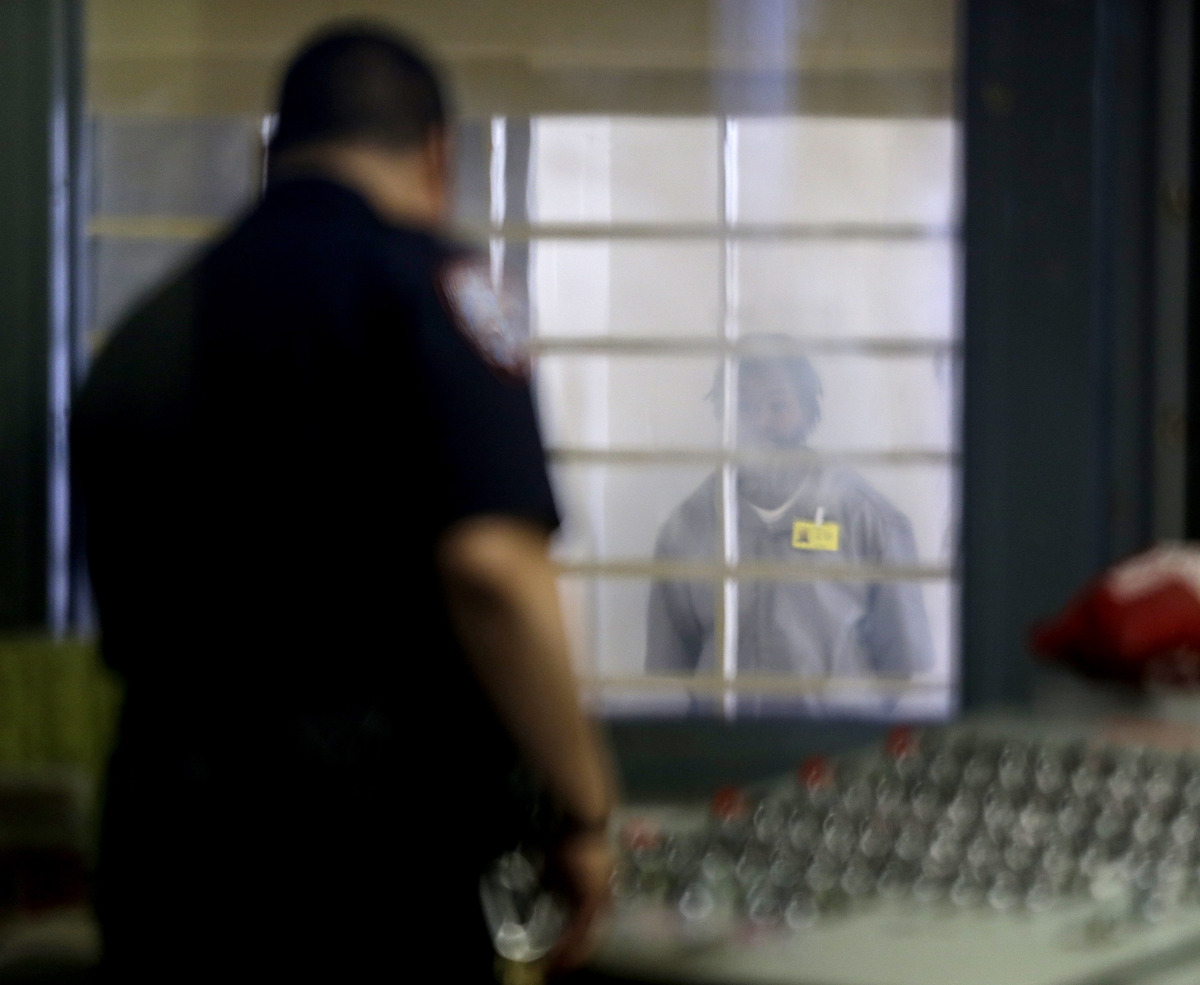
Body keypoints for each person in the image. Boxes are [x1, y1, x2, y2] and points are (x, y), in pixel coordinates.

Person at [70, 24, 616, 980]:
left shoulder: (145, 331)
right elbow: (494, 567)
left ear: (271, 155)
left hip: (161, 839)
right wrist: (582, 808)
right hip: (359, 850)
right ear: (436, 153)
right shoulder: (438, 286)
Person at [645, 339, 934, 713]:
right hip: (725, 752)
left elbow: (902, 659)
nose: (760, 420)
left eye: (778, 405)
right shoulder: (685, 528)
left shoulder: (869, 518)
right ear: (722, 414)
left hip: (834, 750)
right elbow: (677, 665)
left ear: (807, 411)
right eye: (743, 406)